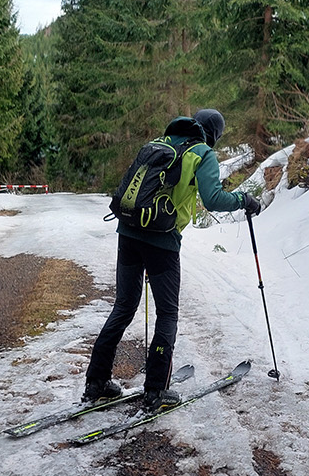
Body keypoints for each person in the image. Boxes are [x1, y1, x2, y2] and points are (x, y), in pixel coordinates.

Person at [84, 109, 261, 410]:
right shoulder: (202, 153)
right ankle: (156, 390)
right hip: (162, 241)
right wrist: (244, 200)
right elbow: (213, 200)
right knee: (167, 314)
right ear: (214, 135)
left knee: (123, 307)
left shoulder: (159, 143)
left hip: (128, 232)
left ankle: (96, 382)